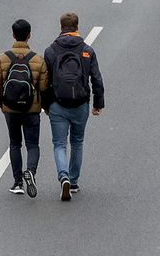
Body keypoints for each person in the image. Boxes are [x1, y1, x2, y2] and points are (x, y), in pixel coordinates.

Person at [42, 11, 104, 201]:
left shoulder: (51, 50)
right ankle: (74, 181)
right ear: (77, 27)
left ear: (61, 28)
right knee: (77, 142)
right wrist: (98, 104)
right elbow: (97, 79)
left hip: (58, 105)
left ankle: (63, 176)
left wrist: (46, 105)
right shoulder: (87, 50)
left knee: (59, 144)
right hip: (80, 104)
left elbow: (44, 81)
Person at [0, 18, 48, 197]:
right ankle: (30, 171)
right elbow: (44, 86)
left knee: (15, 144)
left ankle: (17, 182)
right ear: (29, 35)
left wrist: (0, 103)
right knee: (33, 145)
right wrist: (42, 106)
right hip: (32, 110)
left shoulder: (3, 58)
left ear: (14, 35)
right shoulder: (38, 60)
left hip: (11, 109)